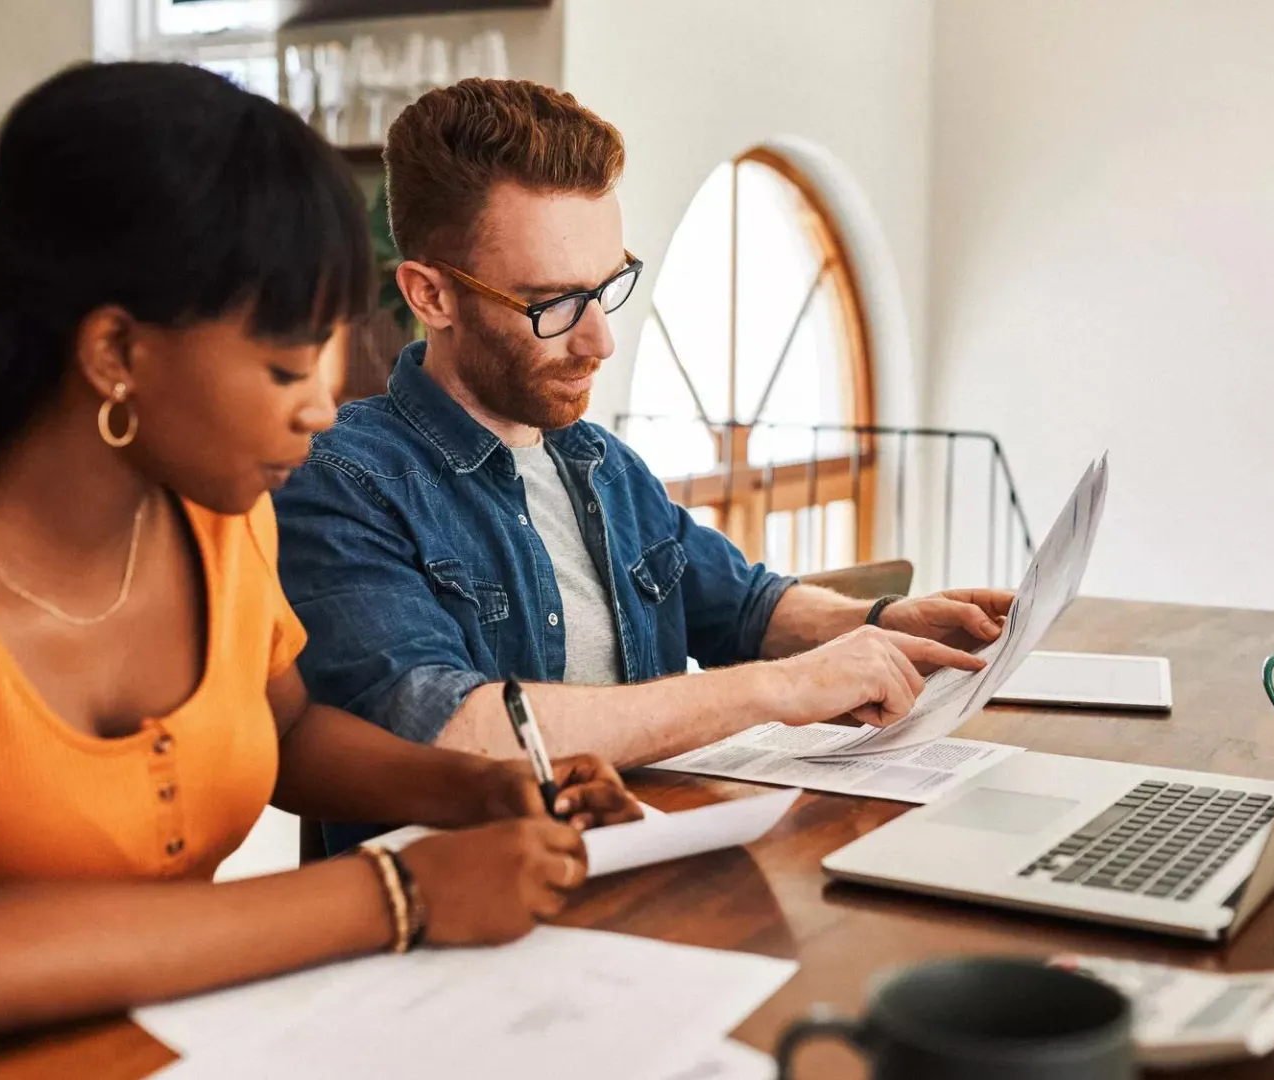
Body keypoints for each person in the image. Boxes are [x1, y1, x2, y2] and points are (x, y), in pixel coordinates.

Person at [0, 62, 639, 1051]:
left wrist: (476, 791)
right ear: (116, 351)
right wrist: (397, 892)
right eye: (286, 368)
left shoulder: (223, 510)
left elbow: (282, 736)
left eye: (330, 359)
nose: (323, 408)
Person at [273, 79, 1014, 797]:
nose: (600, 340)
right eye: (555, 303)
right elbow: (446, 730)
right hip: (483, 899)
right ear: (430, 295)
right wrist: (778, 689)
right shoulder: (341, 479)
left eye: (606, 288)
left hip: (659, 865)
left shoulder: (599, 464)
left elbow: (744, 607)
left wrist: (880, 622)